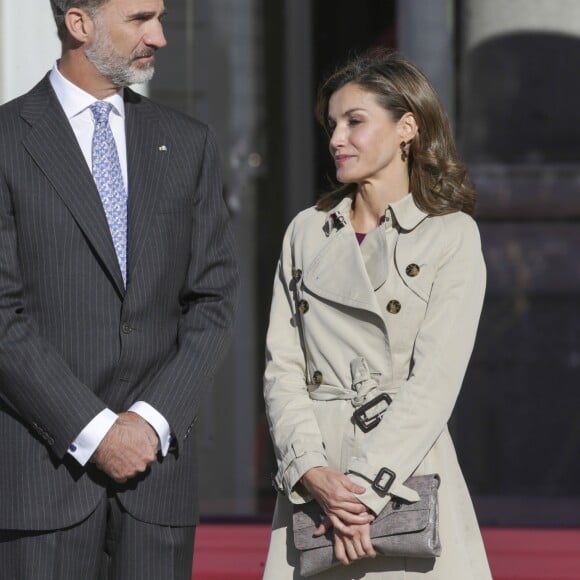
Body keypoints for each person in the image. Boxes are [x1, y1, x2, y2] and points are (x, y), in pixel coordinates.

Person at [0, 0, 238, 578]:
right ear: (79, 24)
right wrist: (96, 429)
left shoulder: (188, 143)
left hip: (157, 484)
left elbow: (213, 302)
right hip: (42, 480)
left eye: (159, 17)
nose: (158, 36)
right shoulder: (7, 139)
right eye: (139, 18)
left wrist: (151, 421)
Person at [263, 49, 492, 579]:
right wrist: (311, 471)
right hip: (315, 482)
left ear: (407, 127)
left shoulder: (450, 234)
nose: (336, 139)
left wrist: (364, 493)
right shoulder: (305, 231)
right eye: (332, 124)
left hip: (405, 473)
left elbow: (435, 381)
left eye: (355, 122)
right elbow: (282, 368)